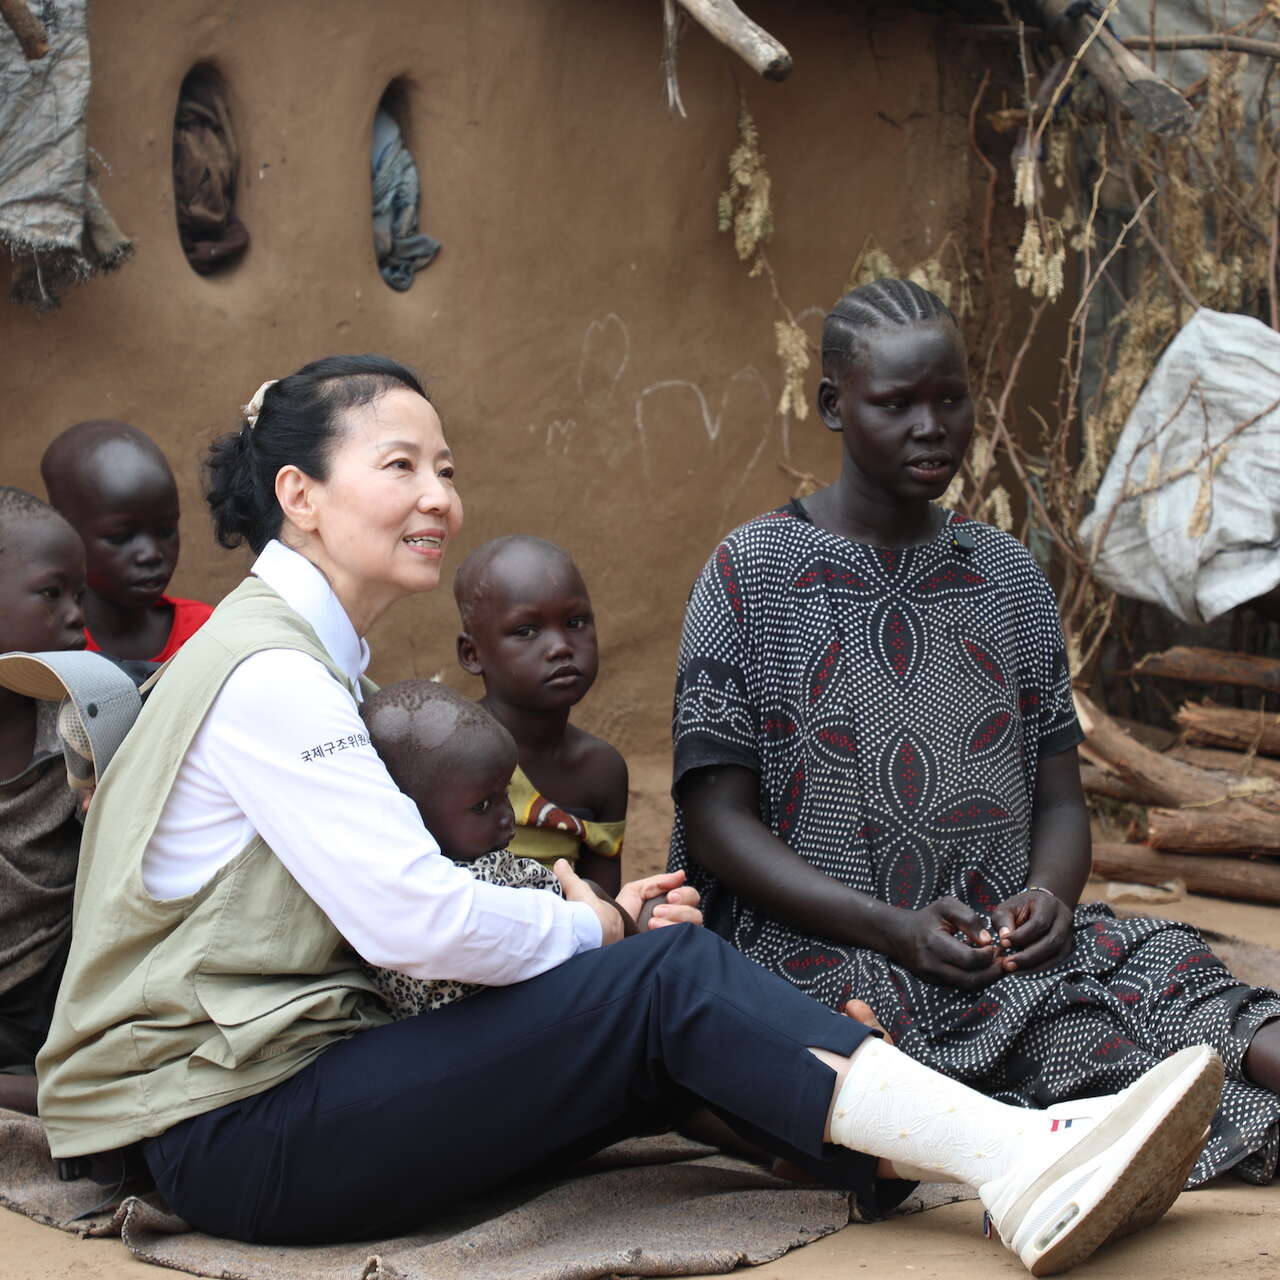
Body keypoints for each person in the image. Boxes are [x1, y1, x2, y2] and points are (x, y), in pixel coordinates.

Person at [34, 355, 1223, 1276]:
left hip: (257, 1102)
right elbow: (409, 918)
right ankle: (1018, 1152)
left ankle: (917, 1145)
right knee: (660, 980)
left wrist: (591, 916)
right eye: (398, 467)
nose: (437, 496)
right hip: (233, 1130)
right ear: (300, 493)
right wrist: (601, 929)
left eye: (444, 466)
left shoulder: (297, 657)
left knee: (656, 1024)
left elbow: (391, 902)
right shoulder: (270, 677)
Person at [669, 278, 1280, 1188]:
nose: (932, 427)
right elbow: (717, 826)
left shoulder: (1005, 575)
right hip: (822, 939)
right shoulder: (749, 574)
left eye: (950, 398)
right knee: (1042, 1034)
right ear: (833, 404)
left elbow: (1060, 799)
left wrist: (1048, 898)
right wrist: (890, 927)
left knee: (1183, 976)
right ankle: (1092, 1150)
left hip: (996, 930)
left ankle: (1144, 1120)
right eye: (897, 404)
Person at [360, 678, 665, 1016]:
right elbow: (589, 921)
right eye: (482, 806)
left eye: (506, 793)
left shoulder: (374, 888)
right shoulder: (485, 881)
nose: (507, 816)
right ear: (409, 812)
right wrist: (632, 927)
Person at [455, 536, 625, 894]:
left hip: (572, 937)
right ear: (472, 654)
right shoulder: (451, 754)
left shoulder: (601, 769)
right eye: (526, 631)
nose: (561, 647)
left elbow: (604, 907)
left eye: (576, 623)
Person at [0, 488, 86, 1115]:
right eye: (52, 593)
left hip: (61, 986)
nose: (77, 615)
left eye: (79, 595)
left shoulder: (79, 717)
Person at [41, 419, 213, 663]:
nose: (151, 554)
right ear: (65, 531)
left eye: (165, 531)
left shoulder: (207, 634)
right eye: (121, 537)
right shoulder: (52, 651)